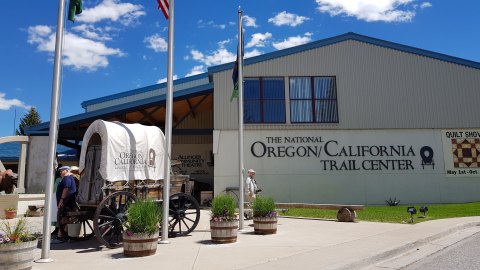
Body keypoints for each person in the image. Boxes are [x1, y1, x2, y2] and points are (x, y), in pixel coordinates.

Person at [52, 166, 77, 244]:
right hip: (68, 201)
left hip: (66, 202)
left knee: (62, 219)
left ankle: (60, 237)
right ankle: (65, 236)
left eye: (62, 171)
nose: (60, 172)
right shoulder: (69, 177)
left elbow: (66, 188)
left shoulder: (67, 178)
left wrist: (61, 200)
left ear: (66, 170)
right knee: (66, 219)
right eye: (60, 171)